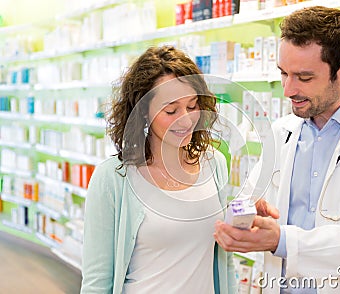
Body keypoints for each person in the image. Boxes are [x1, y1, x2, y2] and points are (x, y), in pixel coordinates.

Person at [214, 6, 340, 293]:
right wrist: (243, 213)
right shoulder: (281, 132)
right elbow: (248, 201)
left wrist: (281, 240)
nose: (288, 89)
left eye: (304, 77)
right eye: (284, 73)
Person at [81, 45, 236, 293]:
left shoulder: (213, 163)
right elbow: (97, 280)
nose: (185, 120)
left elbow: (225, 262)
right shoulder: (113, 178)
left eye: (193, 106)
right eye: (171, 110)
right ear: (143, 112)